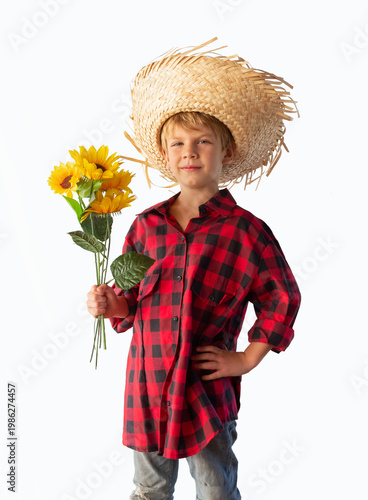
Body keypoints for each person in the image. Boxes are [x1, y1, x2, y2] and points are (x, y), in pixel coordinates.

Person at [86, 38, 301, 500]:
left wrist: (245, 359)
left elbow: (282, 297)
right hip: (150, 383)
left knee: (215, 488)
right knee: (149, 488)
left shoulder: (247, 232)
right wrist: (109, 303)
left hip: (207, 390)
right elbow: (132, 302)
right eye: (178, 143)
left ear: (226, 152)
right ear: (165, 156)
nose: (190, 151)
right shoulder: (145, 228)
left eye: (203, 142)